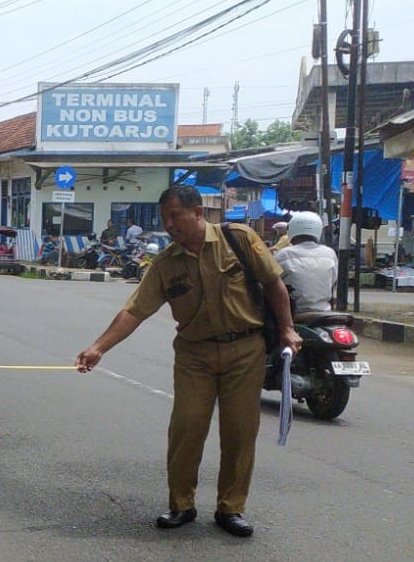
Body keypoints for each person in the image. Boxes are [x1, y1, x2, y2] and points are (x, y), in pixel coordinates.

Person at [75, 185, 301, 539]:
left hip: (245, 350)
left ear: (197, 213)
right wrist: (99, 347)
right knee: (186, 428)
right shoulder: (166, 264)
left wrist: (287, 329)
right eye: (164, 217)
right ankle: (181, 504)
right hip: (195, 355)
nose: (169, 224)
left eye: (175, 215)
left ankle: (231, 508)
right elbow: (134, 311)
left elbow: (274, 284)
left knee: (240, 431)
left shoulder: (238, 239)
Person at [273, 211, 337, 314]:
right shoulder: (330, 253)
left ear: (292, 230)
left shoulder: (283, 254)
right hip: (324, 311)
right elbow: (332, 280)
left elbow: (271, 282)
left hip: (293, 313)